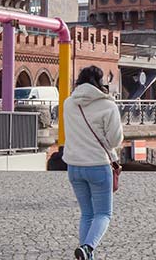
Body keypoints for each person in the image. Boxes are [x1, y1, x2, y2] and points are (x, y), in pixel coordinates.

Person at [62, 65, 123, 260]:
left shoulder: (68, 103)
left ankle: (85, 255)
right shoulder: (108, 105)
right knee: (103, 214)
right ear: (101, 82)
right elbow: (115, 141)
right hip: (97, 165)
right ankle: (88, 247)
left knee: (87, 214)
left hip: (73, 167)